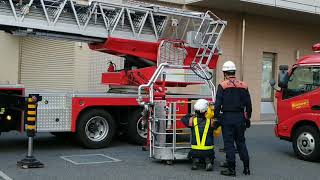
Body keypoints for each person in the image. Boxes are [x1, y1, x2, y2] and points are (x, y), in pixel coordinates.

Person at [214, 61, 252, 176]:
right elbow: (249, 105)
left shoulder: (222, 86)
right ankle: (246, 168)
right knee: (241, 142)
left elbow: (217, 105)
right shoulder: (243, 85)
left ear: (225, 73)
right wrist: (247, 118)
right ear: (234, 72)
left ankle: (231, 169)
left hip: (227, 118)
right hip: (240, 118)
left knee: (229, 144)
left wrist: (216, 118)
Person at [181, 99, 215, 171]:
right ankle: (208, 161)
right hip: (208, 151)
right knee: (208, 154)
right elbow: (220, 120)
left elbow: (183, 118)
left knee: (194, 153)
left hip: (195, 151)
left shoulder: (192, 121)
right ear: (206, 111)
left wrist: (191, 114)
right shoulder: (211, 122)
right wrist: (213, 110)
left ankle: (195, 162)